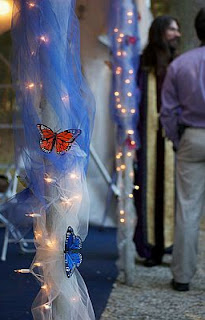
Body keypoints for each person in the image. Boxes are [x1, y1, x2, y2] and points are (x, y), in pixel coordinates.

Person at [160, 8, 205, 291]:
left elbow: (167, 112)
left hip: (193, 137)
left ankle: (182, 277)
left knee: (188, 208)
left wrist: (178, 140)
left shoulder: (180, 64)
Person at [134, 16, 181, 266]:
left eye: (177, 30)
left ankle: (168, 245)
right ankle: (150, 247)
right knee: (146, 189)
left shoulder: (178, 62)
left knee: (170, 189)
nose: (176, 34)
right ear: (160, 32)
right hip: (147, 135)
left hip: (171, 136)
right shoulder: (144, 63)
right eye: (171, 29)